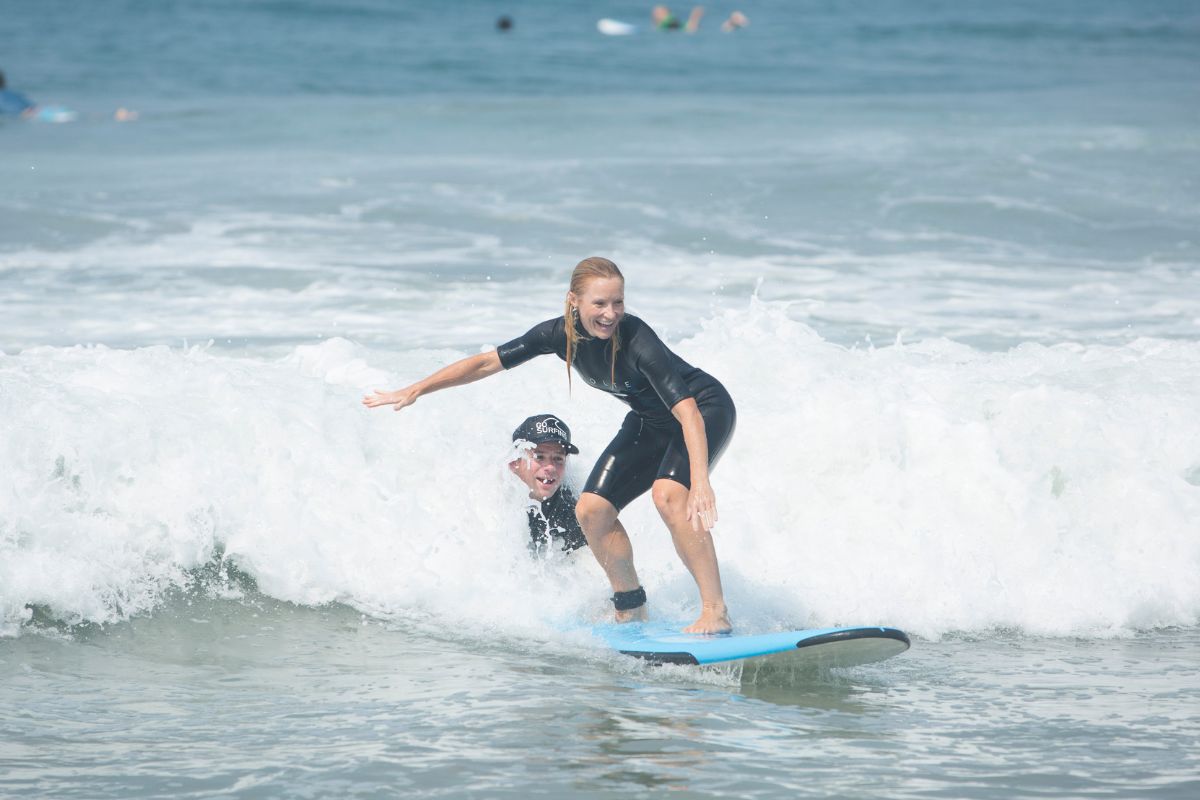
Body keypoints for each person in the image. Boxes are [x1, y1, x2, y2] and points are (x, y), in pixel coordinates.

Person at [363, 257, 737, 634]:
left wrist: (700, 482)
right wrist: (416, 389)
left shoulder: (638, 339)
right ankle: (631, 607)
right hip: (649, 419)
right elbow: (484, 364)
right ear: (573, 300)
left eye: (618, 302)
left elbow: (688, 412)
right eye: (600, 304)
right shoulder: (557, 335)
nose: (611, 314)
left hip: (703, 410)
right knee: (591, 511)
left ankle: (714, 611)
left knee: (669, 496)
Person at [509, 414, 588, 557]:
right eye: (539, 457)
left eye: (558, 458)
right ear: (515, 463)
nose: (551, 467)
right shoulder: (495, 500)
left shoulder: (571, 511)